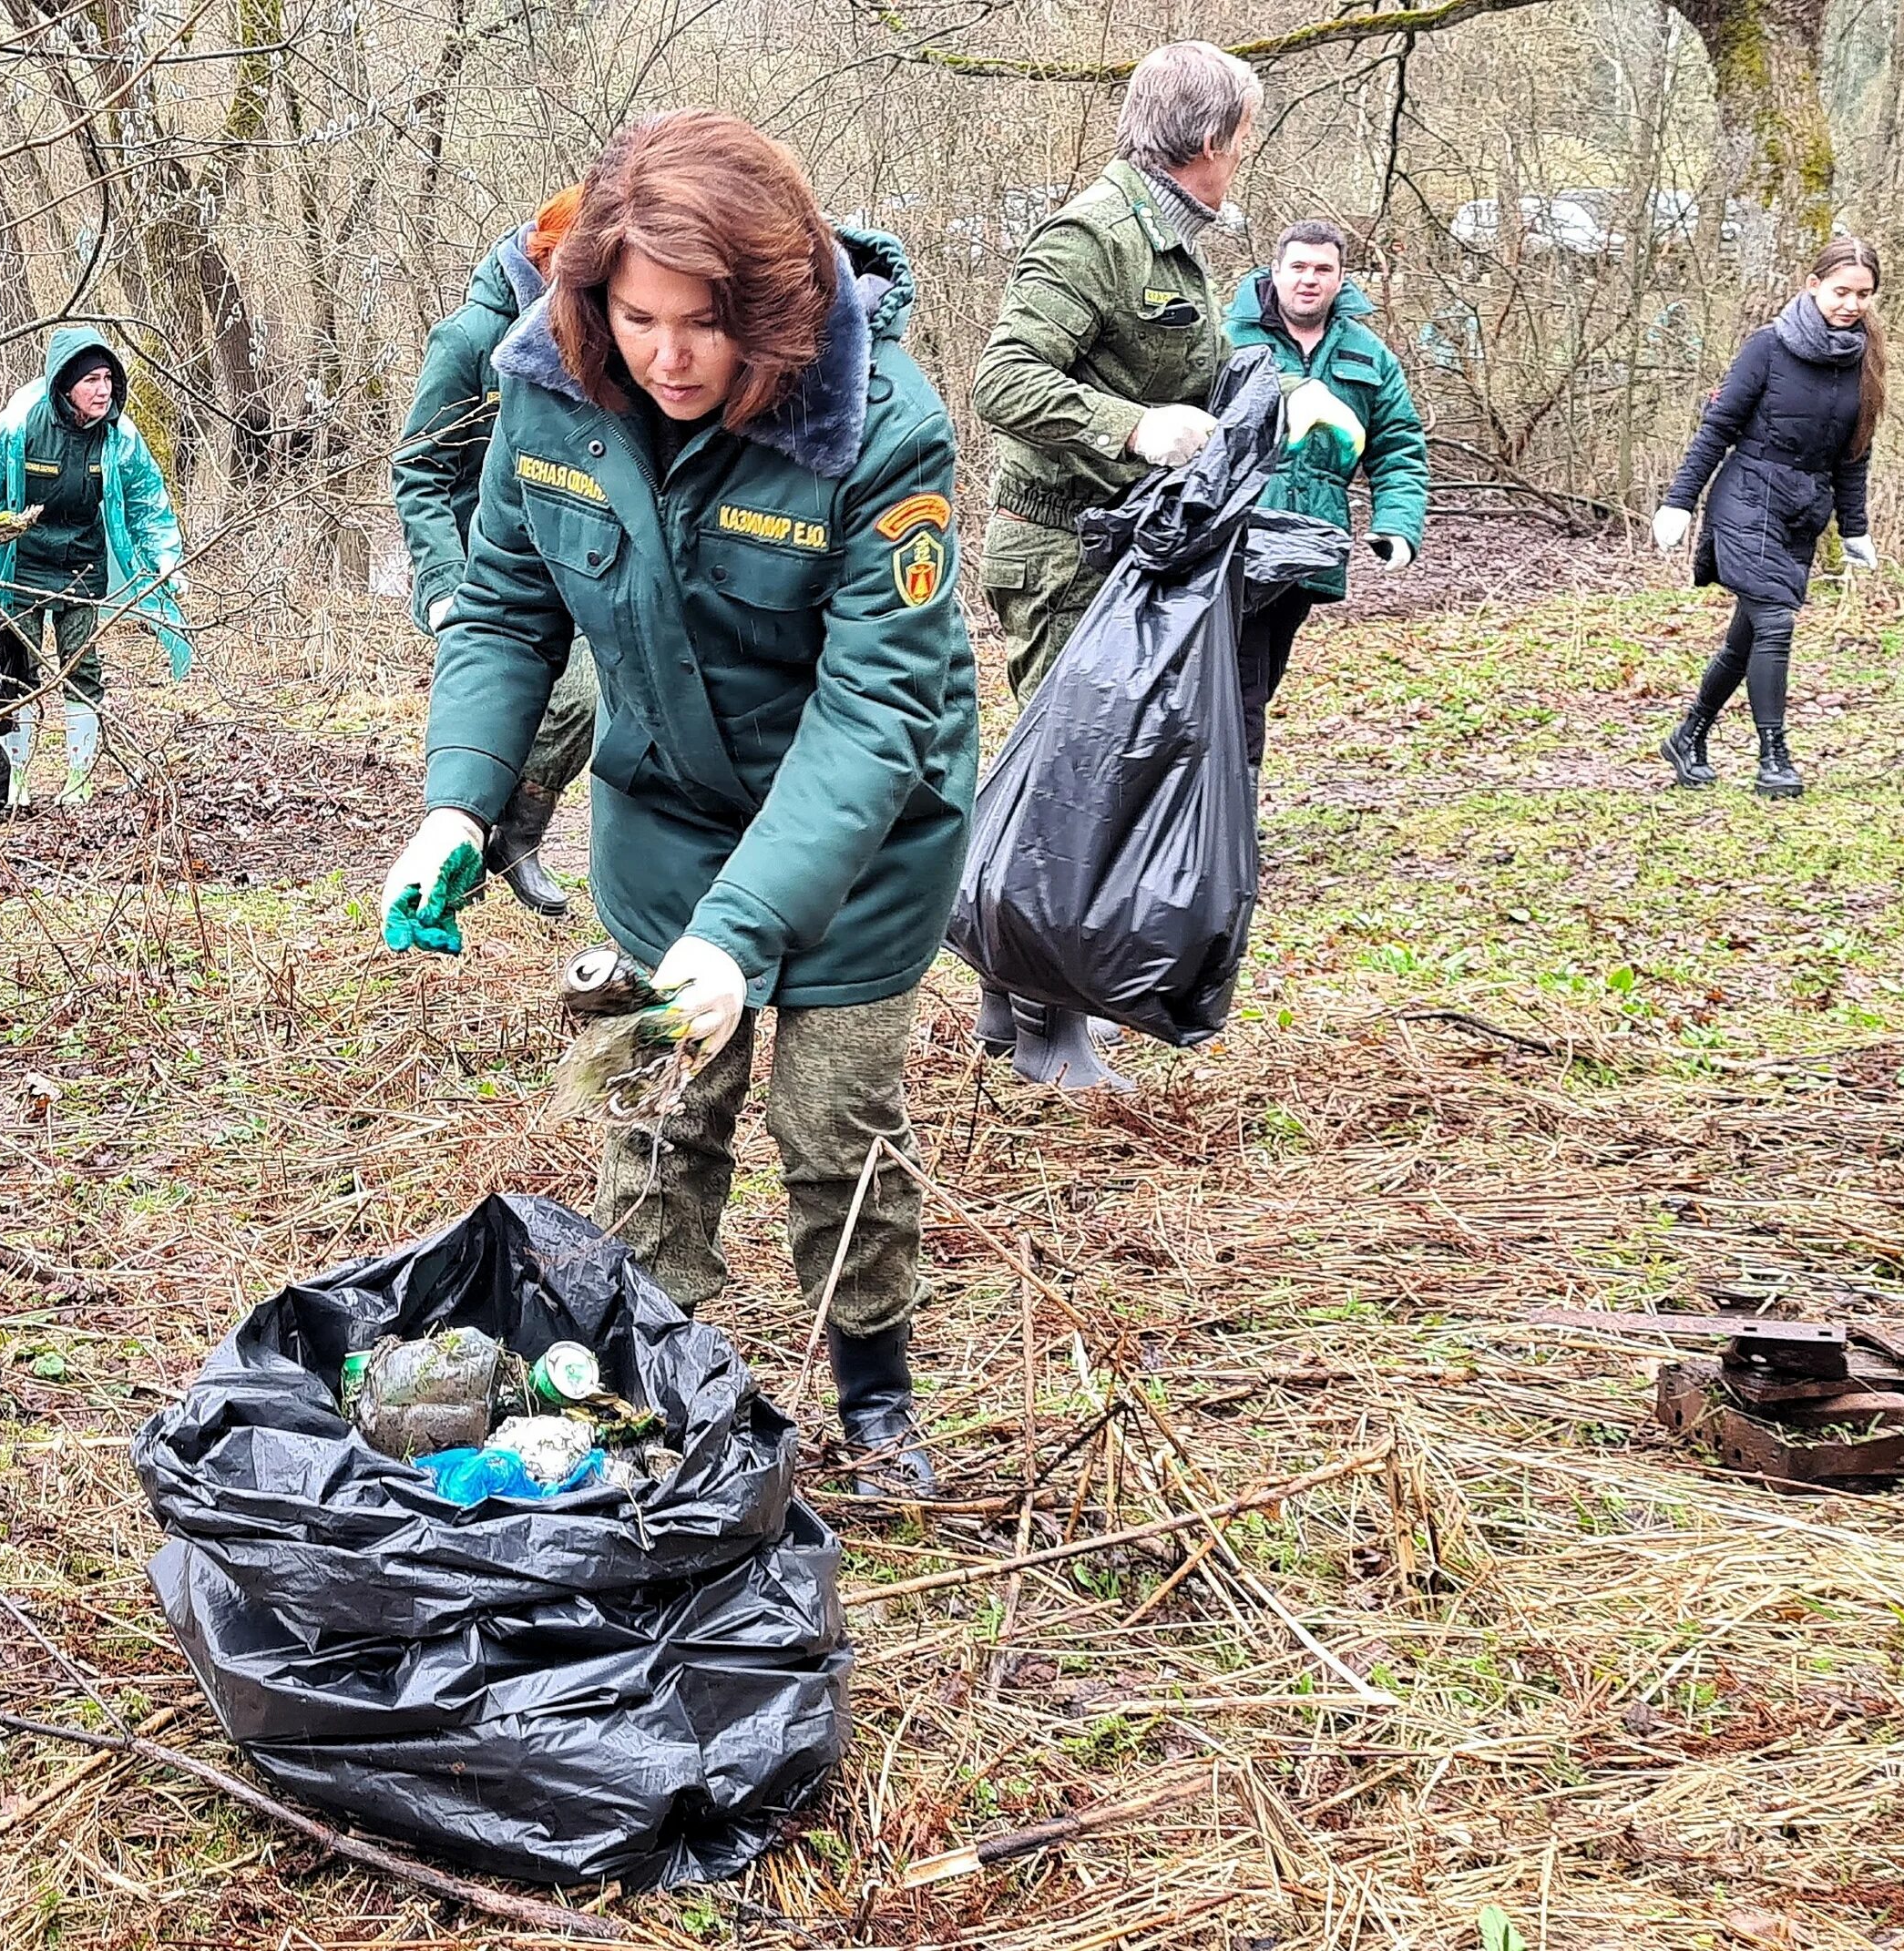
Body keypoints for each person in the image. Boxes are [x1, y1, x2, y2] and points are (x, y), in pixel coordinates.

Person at [376, 111, 978, 1497]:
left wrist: (747, 928)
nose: (667, 355)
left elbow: (875, 710)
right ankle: (650, 1379)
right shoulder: (550, 391)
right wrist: (461, 803)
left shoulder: (878, 426)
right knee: (656, 1108)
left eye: (704, 325)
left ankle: (874, 1390)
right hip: (663, 815)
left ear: (770, 311)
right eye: (639, 319)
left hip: (863, 835)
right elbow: (510, 609)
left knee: (834, 1120)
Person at [969, 36, 1261, 1087]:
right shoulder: (1092, 235)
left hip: (1123, 554)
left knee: (1079, 767)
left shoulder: (1172, 242)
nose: (1243, 159)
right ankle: (1047, 1023)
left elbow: (1190, 368)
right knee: (1073, 781)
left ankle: (1010, 1005)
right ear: (1213, 139)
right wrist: (1132, 430)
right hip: (1061, 550)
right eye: (1242, 139)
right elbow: (1003, 379)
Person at [394, 188, 603, 915]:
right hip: (492, 567)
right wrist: (445, 583)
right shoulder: (469, 340)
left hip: (578, 554)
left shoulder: (599, 338)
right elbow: (417, 468)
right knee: (554, 695)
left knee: (586, 699)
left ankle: (518, 828)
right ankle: (481, 824)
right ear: (548, 263)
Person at [1652, 238, 1886, 799]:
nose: (1851, 304)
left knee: (1747, 637)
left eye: (1863, 295)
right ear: (1813, 286)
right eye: (1840, 292)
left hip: (1803, 510)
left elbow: (1855, 453)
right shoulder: (1768, 348)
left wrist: (1854, 528)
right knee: (1776, 623)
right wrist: (1679, 501)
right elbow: (1718, 428)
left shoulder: (1864, 360)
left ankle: (1689, 735)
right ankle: (1773, 756)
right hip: (1747, 495)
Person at [0, 327, 190, 807]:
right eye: (91, 380)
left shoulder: (120, 439)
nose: (103, 390)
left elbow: (147, 505)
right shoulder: (21, 425)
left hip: (81, 566)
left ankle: (79, 777)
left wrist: (164, 562)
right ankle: (16, 780)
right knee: (16, 673)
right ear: (65, 384)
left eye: (108, 379)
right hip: (20, 568)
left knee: (82, 668)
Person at [1220, 218, 1430, 774]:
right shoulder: (1228, 338)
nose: (1309, 280)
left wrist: (1397, 524)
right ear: (1276, 271)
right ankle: (1228, 828)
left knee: (1259, 681)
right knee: (1236, 684)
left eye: (1323, 270)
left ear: (1341, 279)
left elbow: (1399, 446)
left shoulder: (1369, 354)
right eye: (1299, 267)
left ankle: (1223, 814)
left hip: (1313, 548)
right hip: (1238, 540)